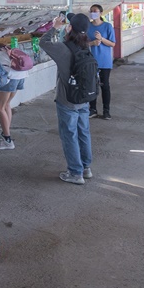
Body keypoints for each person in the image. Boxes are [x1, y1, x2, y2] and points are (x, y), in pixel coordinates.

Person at [40, 13, 94, 185]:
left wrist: (54, 27)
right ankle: (86, 168)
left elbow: (43, 43)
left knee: (69, 135)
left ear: (69, 28)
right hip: (84, 98)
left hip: (67, 100)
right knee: (83, 132)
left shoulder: (63, 49)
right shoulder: (87, 47)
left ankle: (75, 172)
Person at [86, 4, 115, 119]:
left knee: (105, 85)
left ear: (101, 13)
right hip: (91, 61)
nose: (93, 13)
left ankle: (106, 110)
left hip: (104, 61)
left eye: (95, 11)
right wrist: (92, 43)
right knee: (91, 85)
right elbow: (82, 43)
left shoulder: (107, 26)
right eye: (91, 11)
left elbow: (112, 43)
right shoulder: (87, 26)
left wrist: (101, 39)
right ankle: (92, 109)